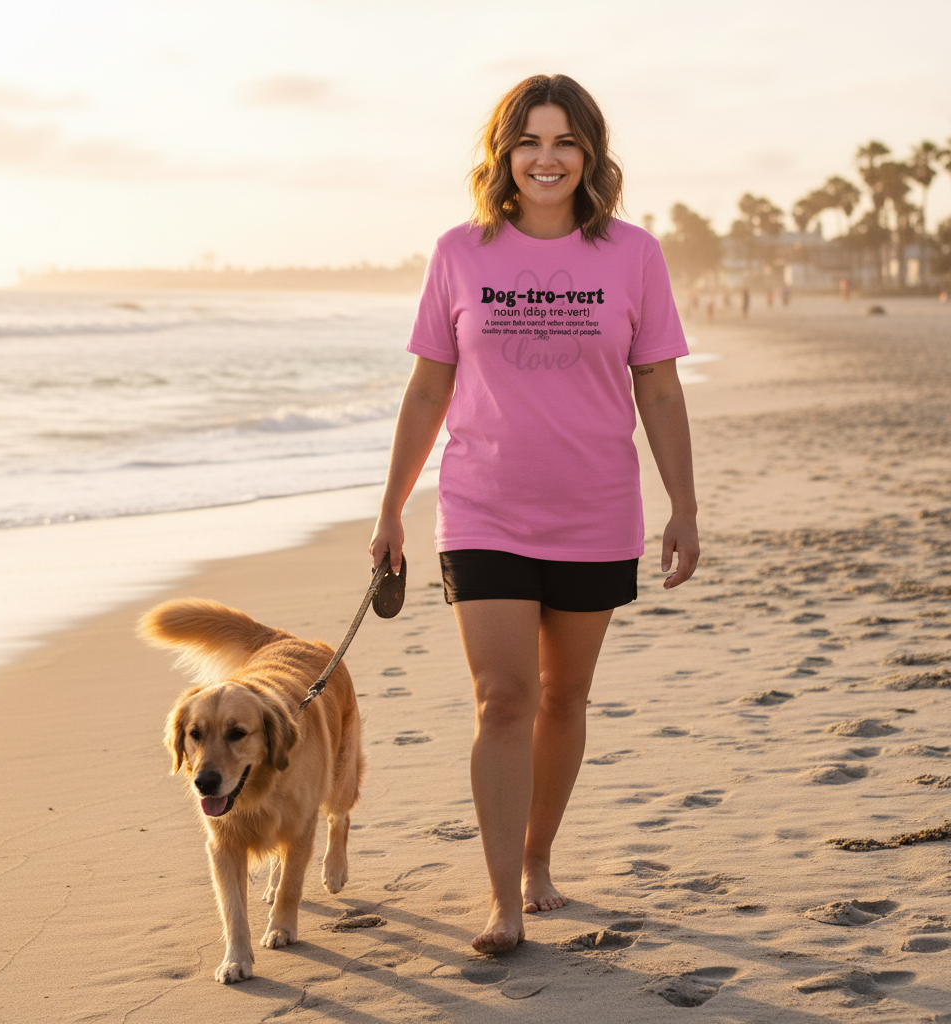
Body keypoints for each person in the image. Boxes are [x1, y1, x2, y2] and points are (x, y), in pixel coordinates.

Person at [369, 74, 699, 955]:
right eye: (528, 142)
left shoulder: (632, 254)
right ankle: (502, 902)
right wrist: (393, 507)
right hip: (483, 508)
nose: (545, 159)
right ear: (503, 155)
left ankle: (537, 857)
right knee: (502, 698)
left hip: (595, 508)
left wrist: (685, 506)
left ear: (590, 155)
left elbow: (659, 387)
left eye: (564, 142)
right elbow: (429, 385)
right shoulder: (460, 252)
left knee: (564, 695)